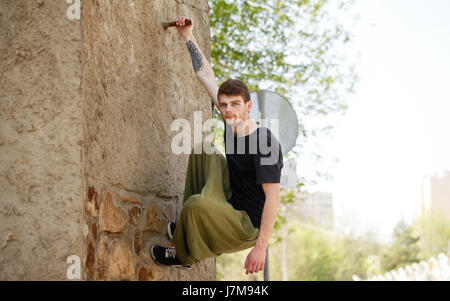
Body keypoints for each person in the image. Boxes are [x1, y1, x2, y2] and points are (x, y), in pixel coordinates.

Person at [150, 16, 283, 275]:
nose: (228, 110)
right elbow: (205, 74)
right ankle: (187, 231)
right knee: (204, 150)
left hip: (247, 224)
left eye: (235, 104)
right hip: (231, 199)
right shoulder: (231, 122)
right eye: (224, 105)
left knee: (196, 206)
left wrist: (260, 247)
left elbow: (273, 199)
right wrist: (187, 36)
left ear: (248, 106)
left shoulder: (265, 143)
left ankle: (184, 254)